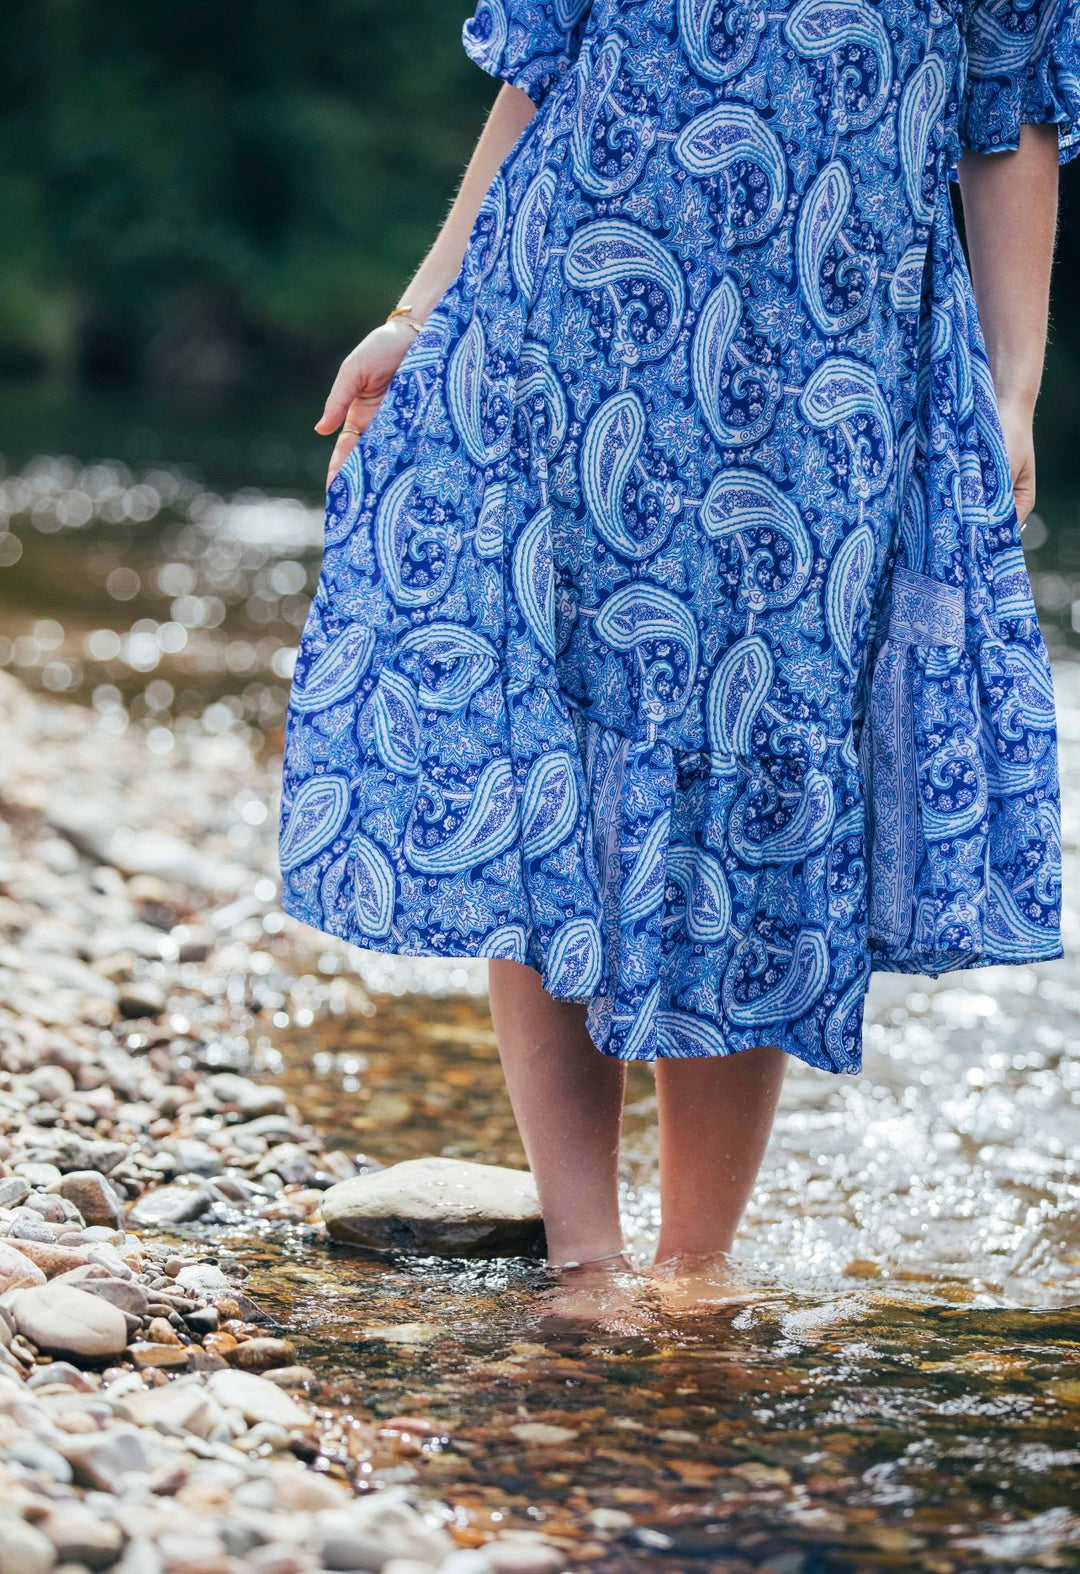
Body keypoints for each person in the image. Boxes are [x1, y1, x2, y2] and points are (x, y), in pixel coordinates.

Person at [279, 0, 1070, 1288]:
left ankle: (695, 1273)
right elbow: (543, 75)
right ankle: (586, 1264)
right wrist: (422, 313)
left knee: (761, 795)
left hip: (831, 383)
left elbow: (1008, 122)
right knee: (554, 766)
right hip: (564, 342)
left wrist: (1013, 389)